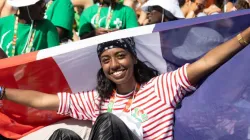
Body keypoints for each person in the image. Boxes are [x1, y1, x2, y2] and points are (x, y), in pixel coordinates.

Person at [1, 26, 250, 139]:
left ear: (133, 59)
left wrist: (244, 36)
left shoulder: (161, 87)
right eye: (106, 60)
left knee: (109, 122)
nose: (115, 65)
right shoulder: (98, 100)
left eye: (120, 56)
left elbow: (205, 63)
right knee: (62, 136)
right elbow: (45, 100)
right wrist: (2, 92)